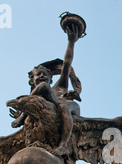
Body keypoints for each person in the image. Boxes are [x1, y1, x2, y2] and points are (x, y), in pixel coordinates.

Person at [11, 23, 81, 156]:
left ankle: (63, 145)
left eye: (45, 75)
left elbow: (66, 63)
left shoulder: (59, 86)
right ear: (32, 80)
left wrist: (71, 41)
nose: (42, 76)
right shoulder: (35, 96)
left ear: (51, 79)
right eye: (39, 74)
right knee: (38, 97)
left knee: (62, 106)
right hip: (45, 112)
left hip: (67, 107)